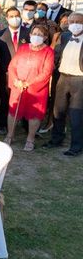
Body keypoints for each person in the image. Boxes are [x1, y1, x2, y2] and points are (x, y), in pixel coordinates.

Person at [5, 24, 54, 151]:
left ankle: (30, 139)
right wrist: (15, 80)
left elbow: (46, 72)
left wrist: (28, 83)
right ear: (30, 35)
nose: (36, 36)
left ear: (45, 37)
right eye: (34, 34)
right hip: (18, 86)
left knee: (34, 114)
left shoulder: (48, 51)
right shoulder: (23, 48)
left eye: (40, 34)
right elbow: (12, 65)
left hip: (36, 89)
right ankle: (10, 135)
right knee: (13, 111)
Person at [44, 13, 83, 156]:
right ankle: (56, 139)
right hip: (62, 78)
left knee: (76, 114)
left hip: (79, 80)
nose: (74, 24)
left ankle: (76, 146)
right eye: (72, 21)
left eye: (78, 22)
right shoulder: (65, 36)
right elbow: (57, 55)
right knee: (57, 111)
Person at [0, 7, 30, 135]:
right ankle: (3, 124)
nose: (14, 18)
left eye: (17, 15)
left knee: (26, 98)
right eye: (11, 16)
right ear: (7, 18)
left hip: (25, 73)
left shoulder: (29, 33)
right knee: (6, 99)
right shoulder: (0, 35)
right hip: (6, 73)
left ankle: (26, 125)